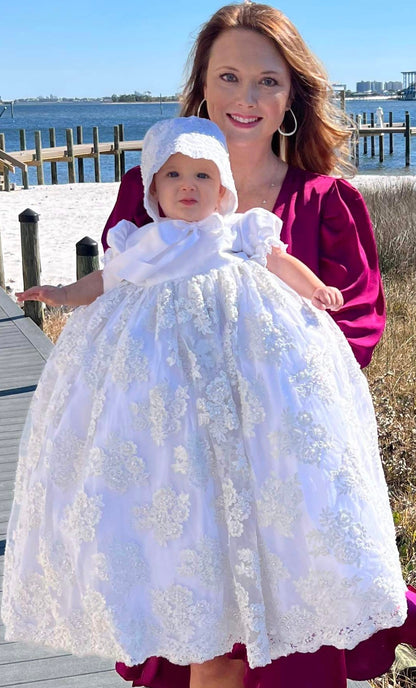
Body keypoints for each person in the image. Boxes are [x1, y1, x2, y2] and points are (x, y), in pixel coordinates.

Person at [2, 117, 415, 688]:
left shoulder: (238, 231)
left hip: (245, 392)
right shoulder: (143, 242)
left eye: (202, 174)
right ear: (152, 188)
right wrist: (61, 294)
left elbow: (279, 261)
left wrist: (313, 288)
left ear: (222, 186)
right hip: (174, 402)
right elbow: (105, 281)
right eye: (172, 174)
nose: (187, 185)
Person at [102, 2, 386, 372]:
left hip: (287, 416)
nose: (246, 99)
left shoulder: (328, 204)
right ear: (203, 84)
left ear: (291, 96)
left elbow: (355, 326)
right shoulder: (146, 190)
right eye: (228, 77)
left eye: (268, 81)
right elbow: (115, 304)